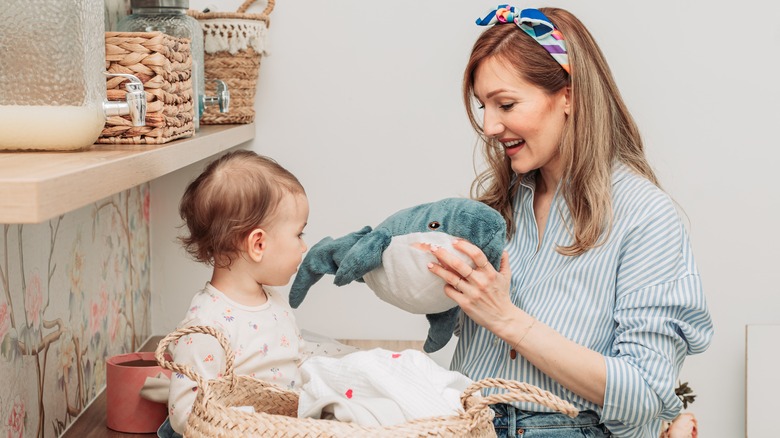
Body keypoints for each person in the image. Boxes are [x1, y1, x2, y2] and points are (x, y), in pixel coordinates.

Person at [426, 5, 714, 438]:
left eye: (505, 103)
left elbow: (644, 397)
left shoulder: (644, 215)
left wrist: (505, 318)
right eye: (483, 105)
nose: (488, 125)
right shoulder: (497, 209)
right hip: (466, 423)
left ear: (569, 96)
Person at [157, 150, 309, 437]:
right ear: (258, 244)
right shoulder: (208, 327)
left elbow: (295, 360)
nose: (303, 247)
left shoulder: (273, 302)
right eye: (298, 234)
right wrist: (247, 423)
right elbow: (184, 412)